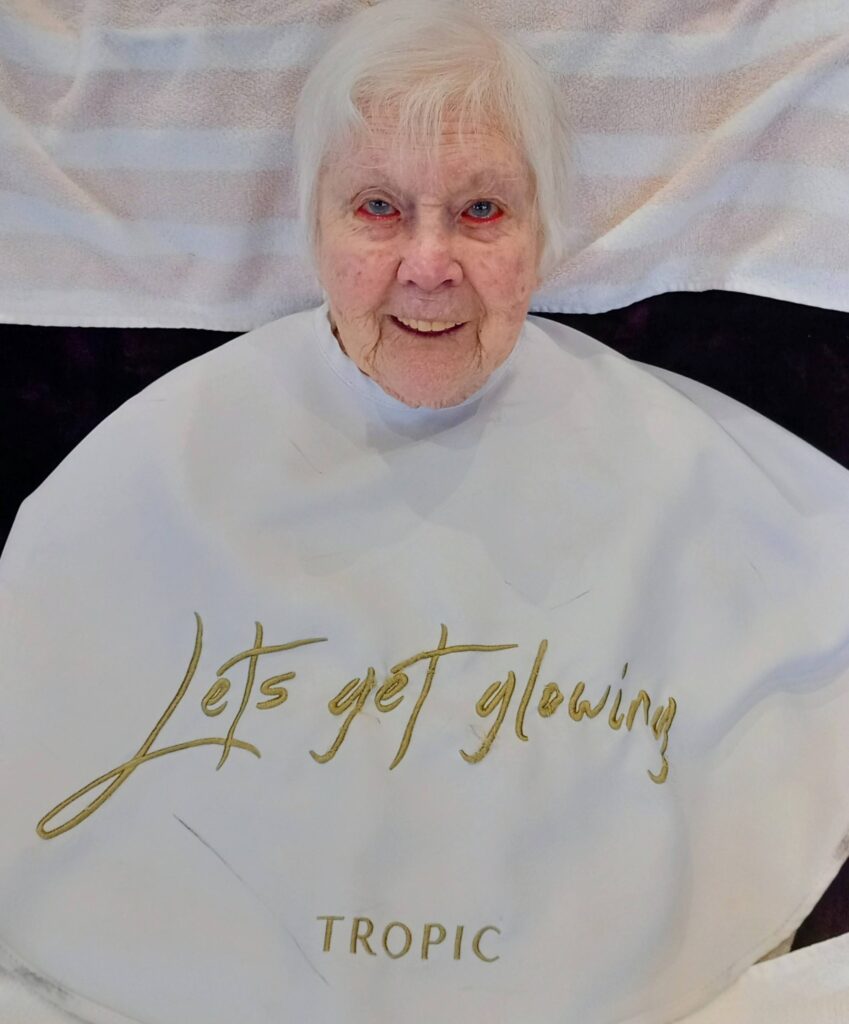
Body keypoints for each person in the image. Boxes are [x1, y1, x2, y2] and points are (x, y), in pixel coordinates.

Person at [1, 2, 849, 1023]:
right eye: (378, 209)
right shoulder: (161, 461)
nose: (431, 262)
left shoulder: (683, 463)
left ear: (545, 229)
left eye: (483, 210)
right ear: (313, 223)